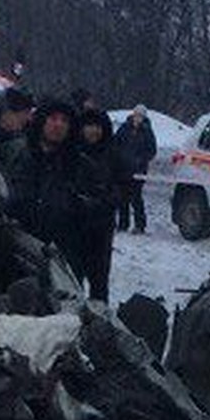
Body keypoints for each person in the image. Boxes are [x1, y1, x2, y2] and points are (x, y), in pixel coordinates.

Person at [3, 99, 85, 277]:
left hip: (62, 255)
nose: (58, 125)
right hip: (18, 248)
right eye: (53, 119)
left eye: (64, 121)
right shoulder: (20, 155)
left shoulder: (79, 165)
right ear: (42, 121)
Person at [75, 108, 120, 302]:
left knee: (99, 283)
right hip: (73, 226)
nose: (94, 131)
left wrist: (105, 201)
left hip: (101, 228)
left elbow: (121, 189)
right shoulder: (71, 153)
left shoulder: (111, 154)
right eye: (89, 126)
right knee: (72, 280)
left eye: (98, 127)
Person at [113, 105, 157, 232]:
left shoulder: (147, 131)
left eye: (141, 116)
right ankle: (123, 224)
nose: (138, 118)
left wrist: (141, 160)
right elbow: (116, 143)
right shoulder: (124, 128)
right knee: (122, 198)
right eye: (136, 115)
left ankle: (140, 225)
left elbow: (152, 150)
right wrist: (117, 158)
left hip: (139, 171)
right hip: (122, 169)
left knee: (136, 198)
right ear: (133, 115)